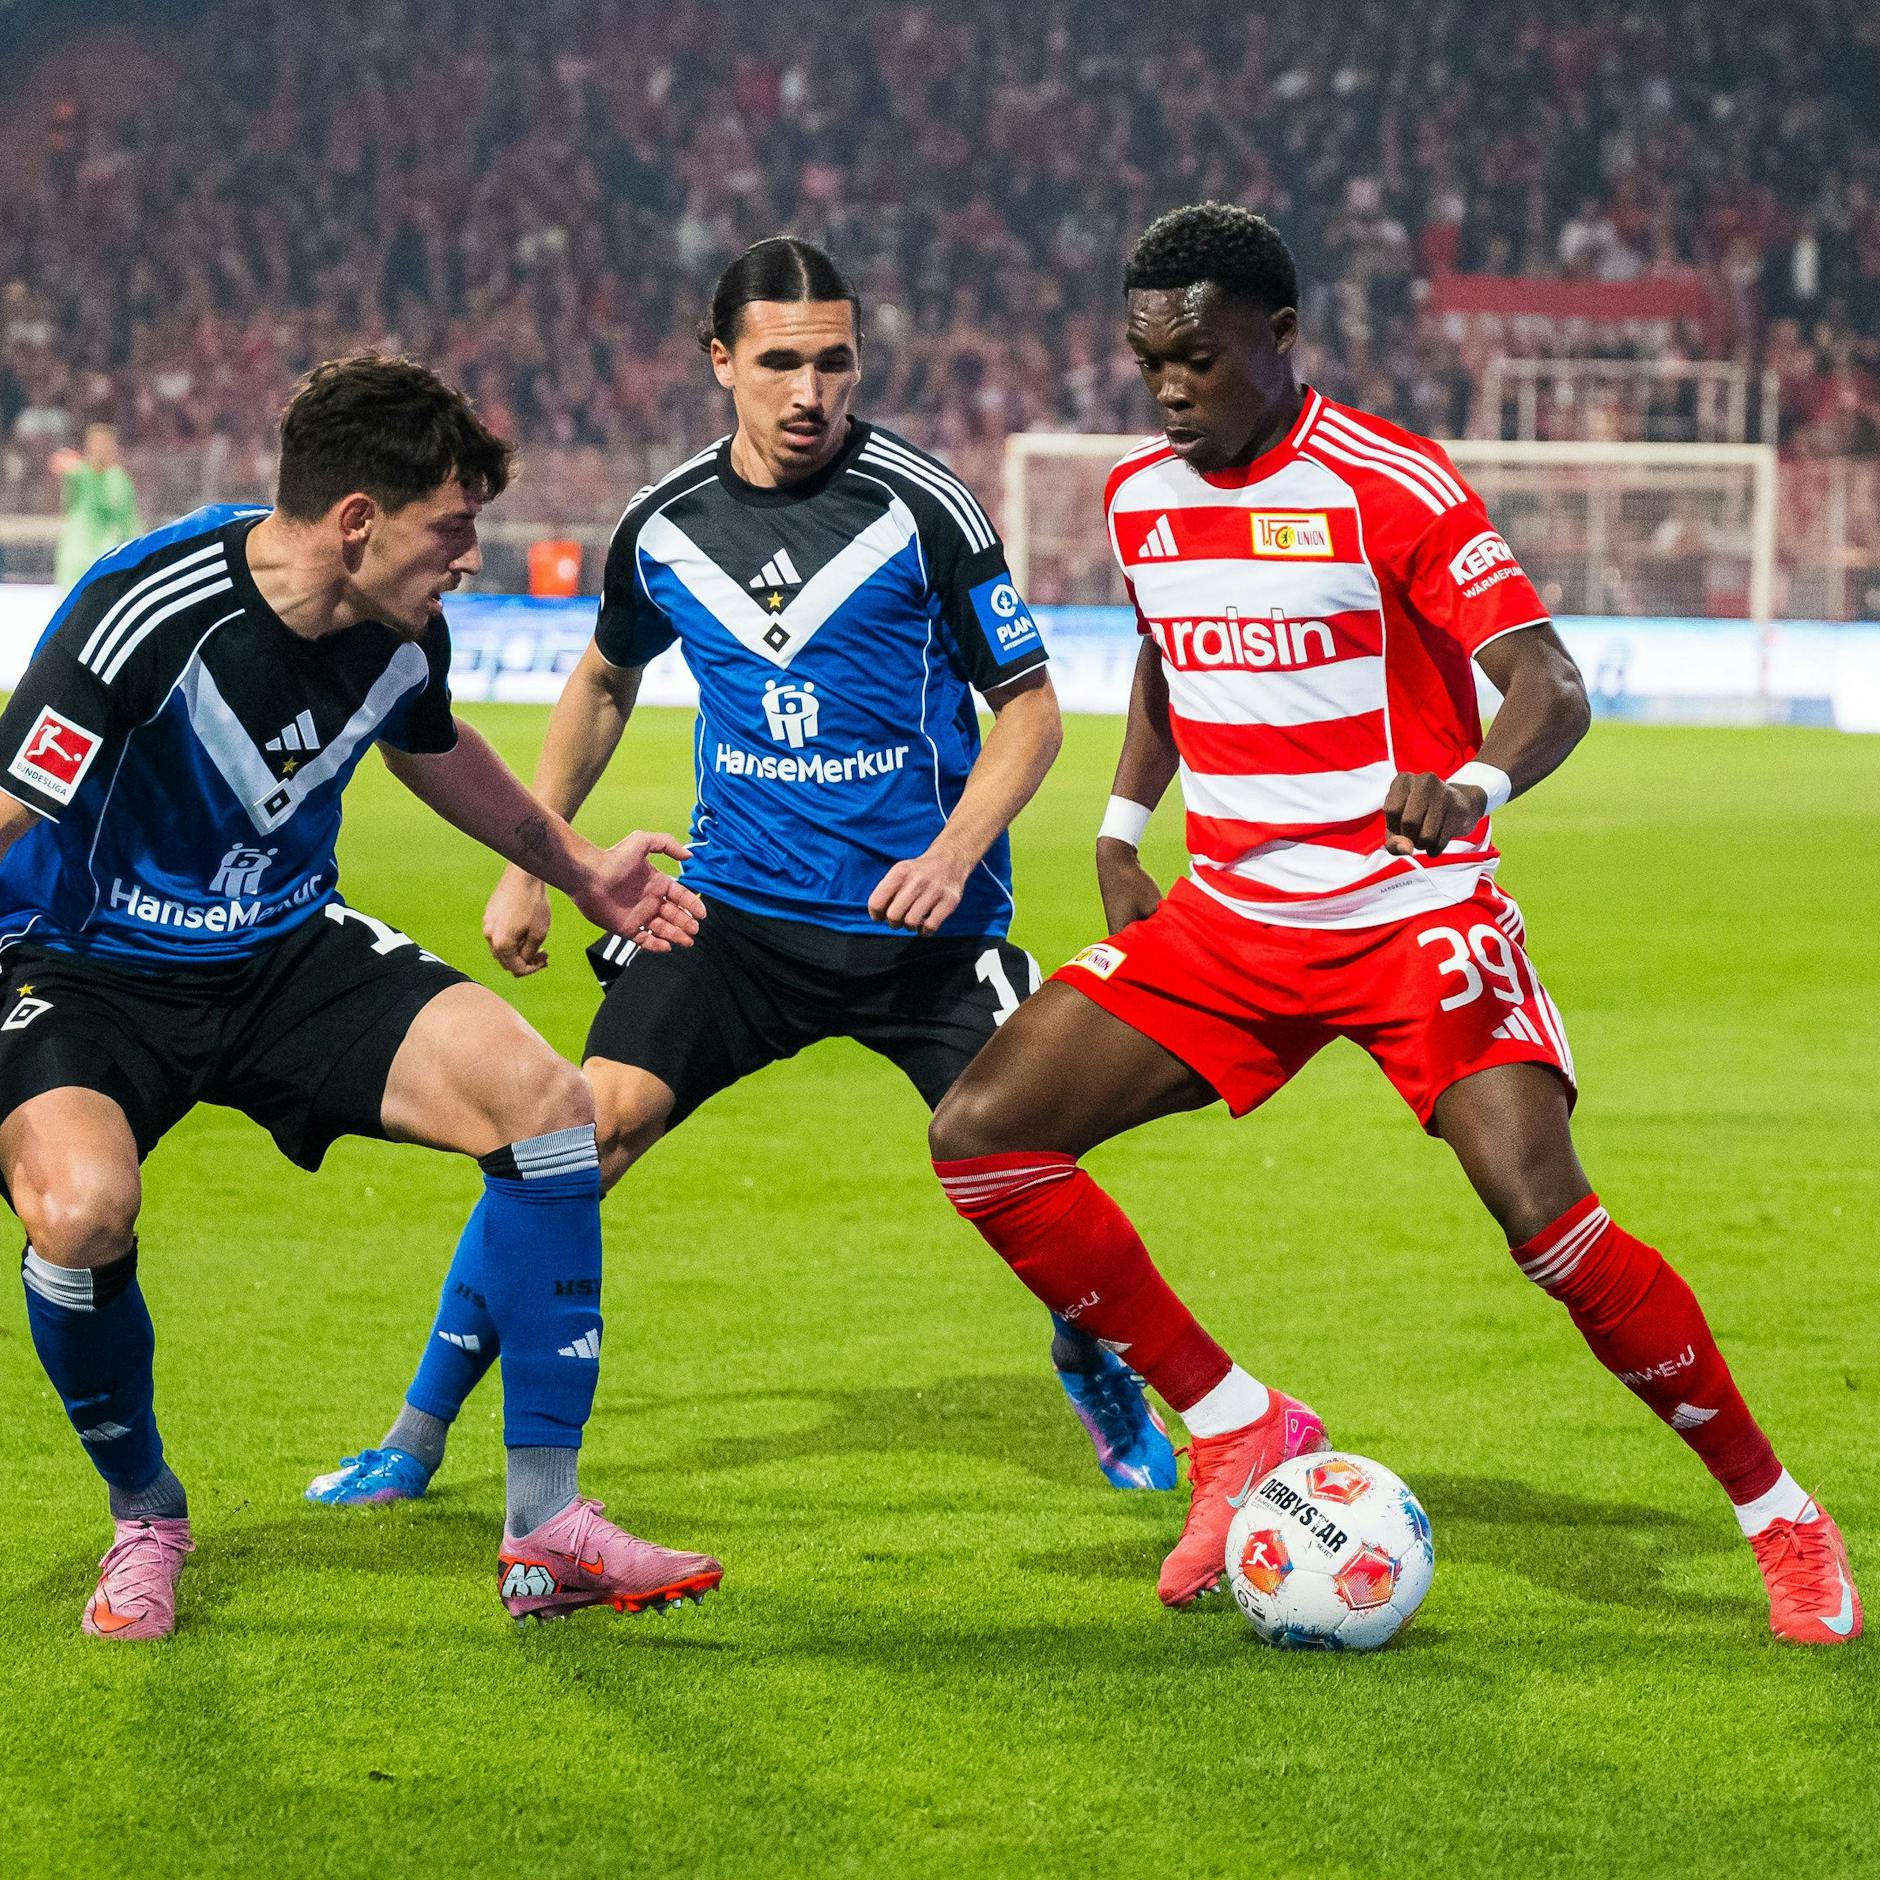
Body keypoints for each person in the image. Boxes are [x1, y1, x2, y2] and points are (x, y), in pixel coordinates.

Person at [927, 203, 1861, 1645]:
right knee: (984, 1136)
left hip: (1408, 909)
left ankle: (1779, 1514)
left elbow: (1551, 684)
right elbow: (1171, 661)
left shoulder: (1393, 482)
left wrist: (1476, 780)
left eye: (1200, 357)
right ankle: (1237, 1425)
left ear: (1279, 338)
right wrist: (1121, 827)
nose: (1171, 386)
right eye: (1146, 360)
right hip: (1232, 919)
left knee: (1547, 1221)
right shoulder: (1137, 495)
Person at [307, 238, 1177, 1508]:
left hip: (922, 933)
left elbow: (1030, 711)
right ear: (722, 361)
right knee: (564, 1141)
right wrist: (531, 857)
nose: (808, 389)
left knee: (1029, 1161)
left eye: (833, 361)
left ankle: (1090, 1353)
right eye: (778, 362)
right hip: (734, 920)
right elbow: (605, 676)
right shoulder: (662, 526)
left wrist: (949, 852)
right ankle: (415, 1433)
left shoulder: (925, 509)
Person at [1, 353, 723, 1639]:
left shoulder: (403, 633)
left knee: (545, 1105)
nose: (469, 561)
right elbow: (12, 804)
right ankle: (147, 1513)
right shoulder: (143, 613)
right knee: (81, 1211)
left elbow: (432, 746)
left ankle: (546, 1526)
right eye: (452, 530)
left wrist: (575, 867)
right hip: (86, 961)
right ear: (356, 520)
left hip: (284, 953)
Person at [51, 424, 141, 594]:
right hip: (75, 559)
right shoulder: (79, 473)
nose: (101, 450)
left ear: (114, 448)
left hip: (105, 560)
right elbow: (60, 466)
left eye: (106, 445)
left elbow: (129, 522)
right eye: (96, 445)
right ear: (88, 447)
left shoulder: (119, 479)